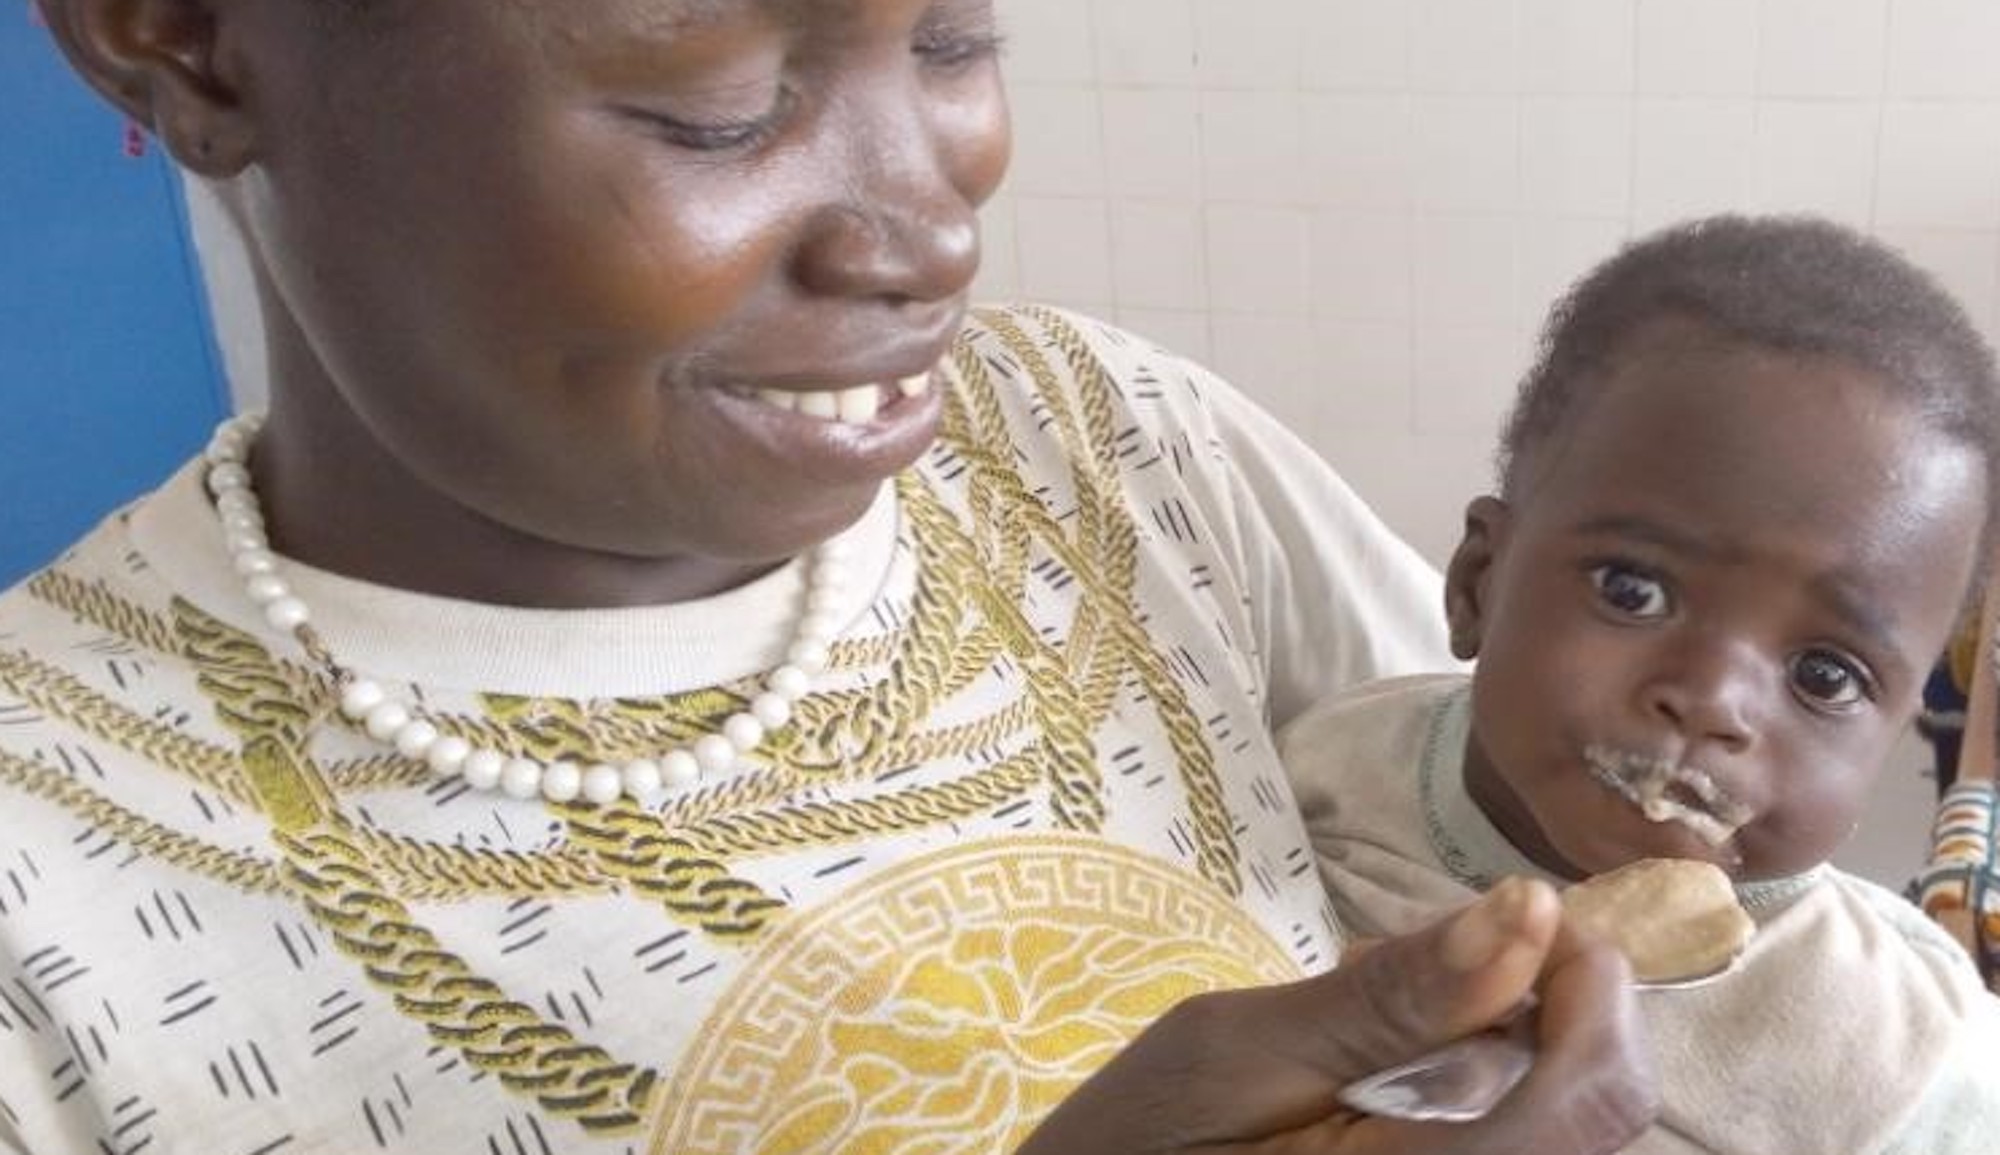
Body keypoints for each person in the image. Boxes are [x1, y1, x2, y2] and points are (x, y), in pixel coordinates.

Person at [0, 2, 1663, 1152]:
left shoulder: (1110, 447)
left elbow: (1506, 854)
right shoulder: (46, 896)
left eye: (953, 41)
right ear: (187, 36)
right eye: (717, 104)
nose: (925, 232)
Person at [1285, 215, 2000, 1153]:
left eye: (1825, 674)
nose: (1714, 699)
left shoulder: (1896, 1049)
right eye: (1635, 588)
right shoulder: (1338, 766)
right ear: (1475, 586)